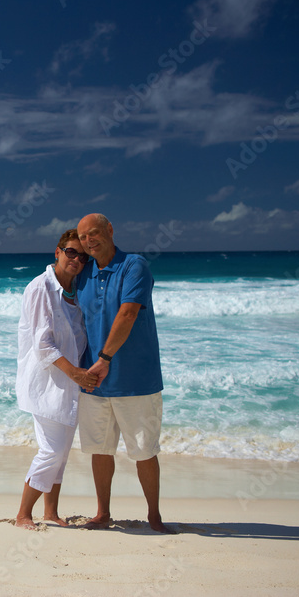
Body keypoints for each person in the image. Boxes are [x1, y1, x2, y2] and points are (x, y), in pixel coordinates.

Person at [74, 213, 174, 534]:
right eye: (83, 237)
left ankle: (154, 516)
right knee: (99, 450)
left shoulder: (134, 266)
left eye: (94, 233)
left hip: (136, 381)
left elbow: (128, 313)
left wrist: (104, 358)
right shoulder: (84, 273)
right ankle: (102, 513)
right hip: (94, 381)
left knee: (144, 451)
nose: (89, 241)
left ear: (110, 230)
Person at [14, 229, 98, 530]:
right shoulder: (41, 288)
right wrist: (75, 373)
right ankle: (23, 515)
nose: (76, 259)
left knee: (61, 453)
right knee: (51, 451)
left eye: (83, 256)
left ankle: (50, 512)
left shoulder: (75, 289)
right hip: (46, 382)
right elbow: (43, 344)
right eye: (71, 252)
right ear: (58, 252)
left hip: (69, 384)